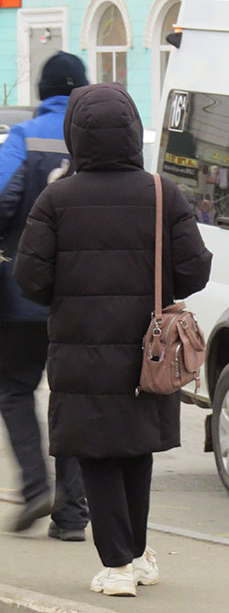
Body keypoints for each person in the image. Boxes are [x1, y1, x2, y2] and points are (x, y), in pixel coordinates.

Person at [14, 83, 212, 597]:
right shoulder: (160, 191)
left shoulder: (57, 198)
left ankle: (119, 564)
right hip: (148, 348)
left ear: (75, 134)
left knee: (96, 452)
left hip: (81, 349)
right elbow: (195, 269)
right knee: (135, 451)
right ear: (129, 131)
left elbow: (31, 280)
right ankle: (138, 557)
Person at [0, 51, 90, 541]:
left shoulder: (23, 138)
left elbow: (0, 199)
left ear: (42, 90)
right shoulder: (96, 139)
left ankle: (36, 486)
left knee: (15, 389)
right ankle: (73, 515)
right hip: (82, 299)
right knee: (71, 398)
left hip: (22, 296)